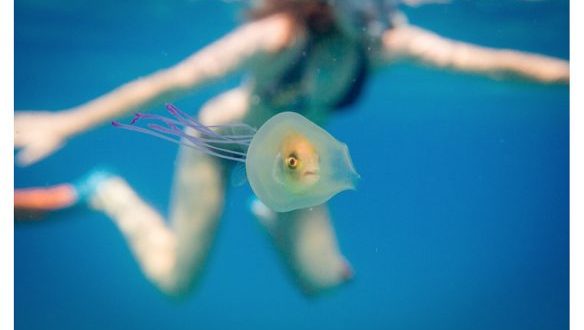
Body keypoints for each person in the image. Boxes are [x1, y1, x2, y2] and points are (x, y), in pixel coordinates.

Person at [14, 0, 569, 296]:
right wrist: (68, 121)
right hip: (218, 145)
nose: (377, 9)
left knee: (323, 284)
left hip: (293, 166)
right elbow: (170, 83)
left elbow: (495, 64)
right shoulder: (276, 36)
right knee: (175, 284)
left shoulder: (385, 45)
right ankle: (105, 192)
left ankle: (270, 212)